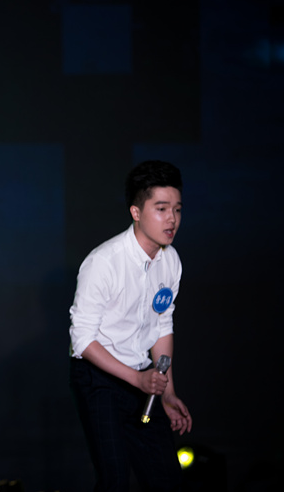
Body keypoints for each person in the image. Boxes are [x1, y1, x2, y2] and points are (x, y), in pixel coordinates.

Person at [68, 160, 193, 492]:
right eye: (161, 209)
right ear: (136, 212)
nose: (172, 219)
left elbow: (162, 324)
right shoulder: (103, 262)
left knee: (167, 479)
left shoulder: (171, 260)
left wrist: (168, 392)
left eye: (177, 209)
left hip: (143, 376)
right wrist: (137, 379)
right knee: (115, 480)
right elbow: (82, 340)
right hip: (99, 378)